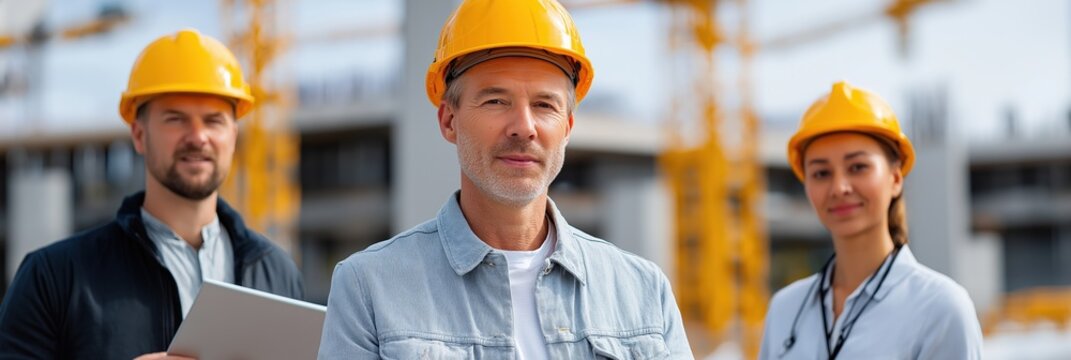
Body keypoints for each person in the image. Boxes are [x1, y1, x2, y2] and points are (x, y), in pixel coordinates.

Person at [318, 0, 692, 358]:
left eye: (545, 105)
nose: (524, 128)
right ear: (450, 121)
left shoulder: (643, 292)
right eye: (496, 101)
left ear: (567, 127)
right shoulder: (369, 287)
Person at [0, 29, 303, 359]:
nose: (198, 136)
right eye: (176, 119)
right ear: (139, 134)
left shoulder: (278, 273)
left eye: (214, 120)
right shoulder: (54, 277)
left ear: (233, 136)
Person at [759, 81, 983, 359]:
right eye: (821, 173)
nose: (839, 187)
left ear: (896, 178)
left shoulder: (940, 308)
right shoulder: (785, 310)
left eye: (858, 167)